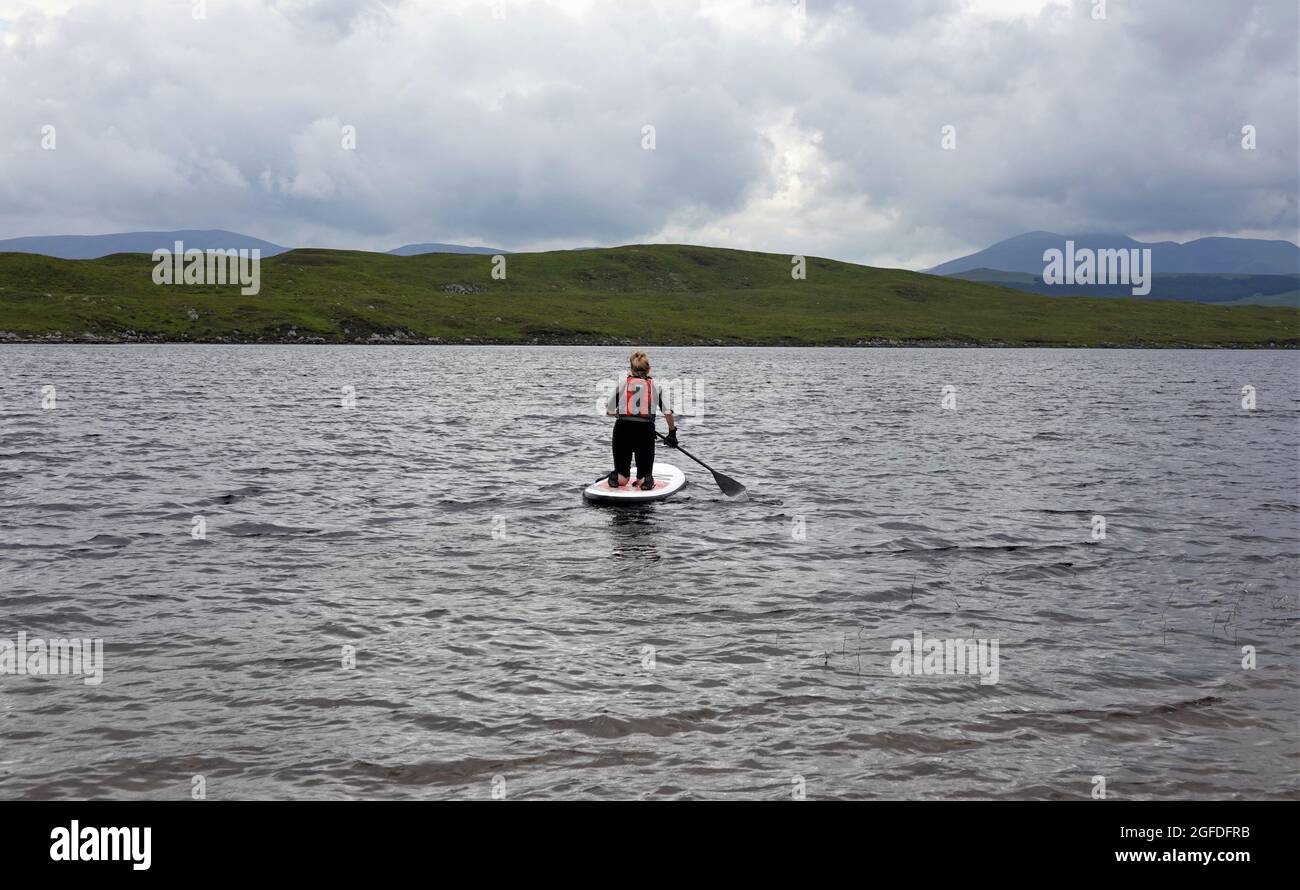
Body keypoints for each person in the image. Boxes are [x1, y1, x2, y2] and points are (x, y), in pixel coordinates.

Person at [605, 350, 677, 490]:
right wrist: (672, 433)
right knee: (644, 479)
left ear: (631, 369)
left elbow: (609, 411)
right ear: (648, 369)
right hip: (645, 431)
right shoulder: (655, 386)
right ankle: (644, 481)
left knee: (622, 478)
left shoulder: (623, 383)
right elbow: (667, 413)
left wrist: (621, 413)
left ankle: (616, 477)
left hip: (622, 430)